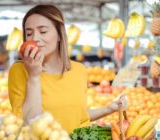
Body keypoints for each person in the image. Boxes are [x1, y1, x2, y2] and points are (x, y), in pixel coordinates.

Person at [8, 4, 127, 133]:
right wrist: (34, 76)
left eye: (43, 31)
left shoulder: (79, 70)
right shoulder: (19, 70)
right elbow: (29, 123)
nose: (35, 38)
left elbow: (77, 116)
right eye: (29, 33)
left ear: (59, 35)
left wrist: (109, 108)